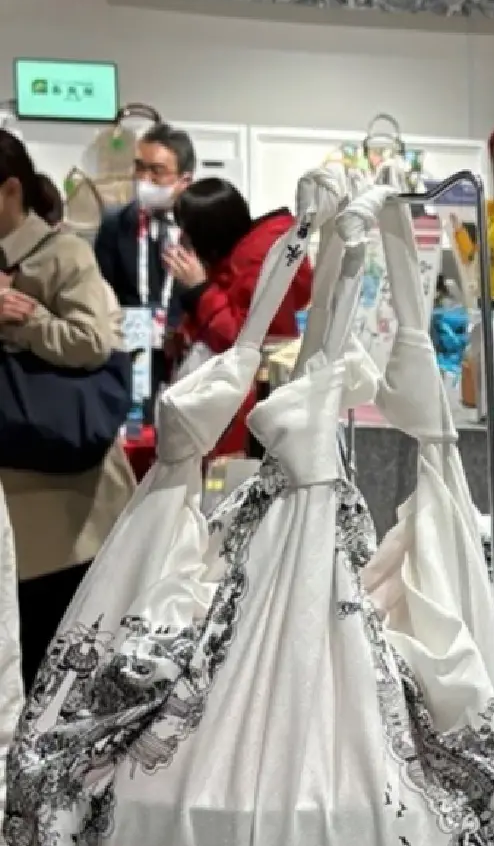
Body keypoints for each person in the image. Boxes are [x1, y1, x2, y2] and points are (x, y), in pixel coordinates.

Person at [0, 130, 137, 684]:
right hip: (14, 499)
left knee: (55, 660)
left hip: (63, 501)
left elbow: (92, 342)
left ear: (10, 189)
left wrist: (22, 318)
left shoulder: (63, 254)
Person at [163, 178, 312, 456]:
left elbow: (242, 340)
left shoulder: (256, 259)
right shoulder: (240, 256)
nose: (182, 239)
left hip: (246, 410)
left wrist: (200, 289)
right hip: (238, 403)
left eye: (186, 230)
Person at [95, 121, 196, 311]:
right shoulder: (115, 224)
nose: (144, 178)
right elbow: (103, 293)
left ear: (185, 180)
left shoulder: (201, 228)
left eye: (157, 171)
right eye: (140, 167)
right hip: (130, 334)